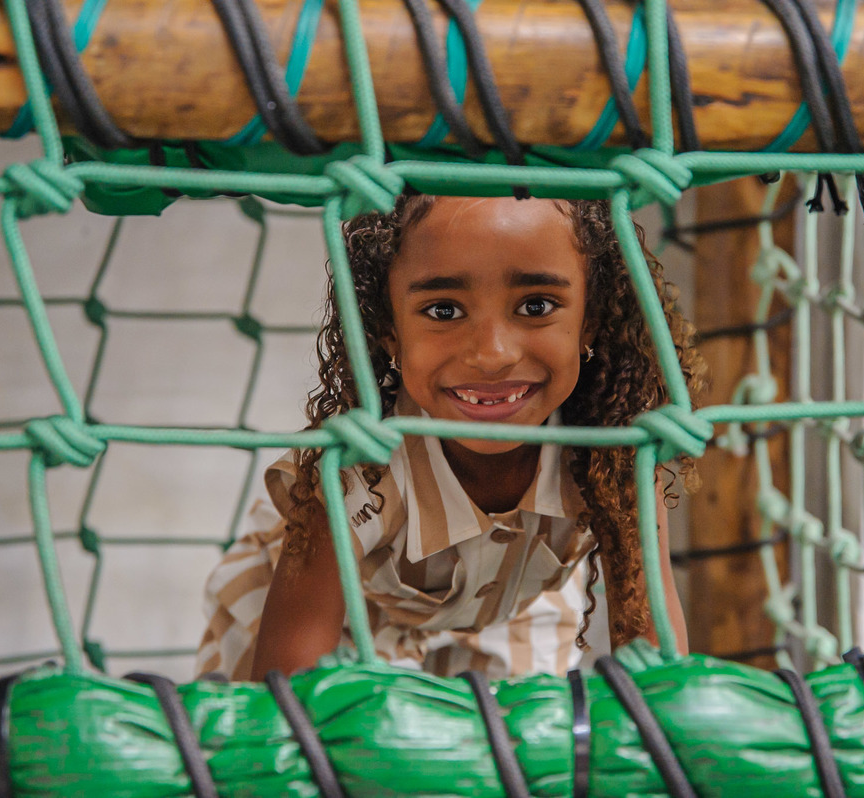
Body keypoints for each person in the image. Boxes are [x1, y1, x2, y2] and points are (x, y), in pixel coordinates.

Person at [196, 194, 705, 681]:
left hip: (505, 618)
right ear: (389, 332)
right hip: (348, 620)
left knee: (519, 737)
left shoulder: (616, 450)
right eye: (444, 311)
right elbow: (289, 694)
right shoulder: (356, 470)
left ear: (590, 321)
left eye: (535, 306)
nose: (492, 354)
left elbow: (654, 661)